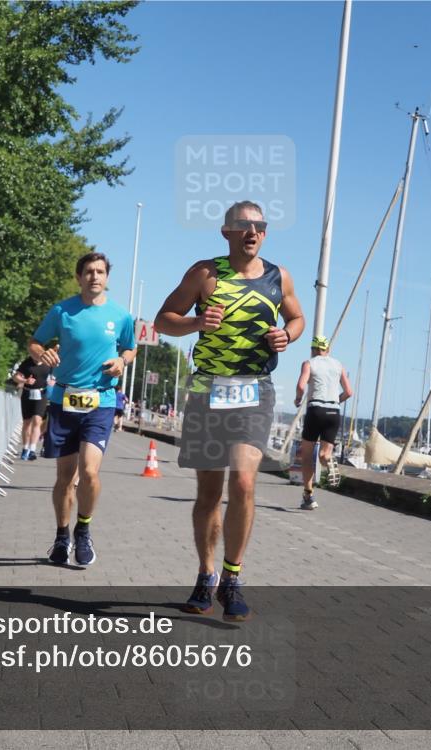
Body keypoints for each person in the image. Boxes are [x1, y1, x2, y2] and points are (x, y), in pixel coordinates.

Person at [155, 200, 304, 621]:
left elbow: (297, 319)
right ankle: (206, 574)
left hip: (255, 390)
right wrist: (196, 324)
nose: (252, 232)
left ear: (265, 233)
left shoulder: (279, 276)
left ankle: (232, 577)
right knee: (208, 495)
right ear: (227, 232)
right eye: (243, 226)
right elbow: (164, 320)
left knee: (242, 482)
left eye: (259, 226)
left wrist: (286, 336)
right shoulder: (205, 273)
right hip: (207, 390)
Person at [29, 252, 135, 566]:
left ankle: (83, 531)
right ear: (79, 277)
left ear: (107, 277)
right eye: (88, 271)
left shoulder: (121, 315)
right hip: (64, 400)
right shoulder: (62, 310)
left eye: (100, 271)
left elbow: (130, 348)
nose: (94, 277)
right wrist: (42, 353)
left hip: (100, 401)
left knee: (89, 471)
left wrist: (121, 361)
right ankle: (62, 536)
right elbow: (34, 342)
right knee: (64, 478)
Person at [294, 335, 353, 509]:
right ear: (327, 350)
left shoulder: (309, 363)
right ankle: (328, 459)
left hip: (315, 410)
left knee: (306, 456)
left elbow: (300, 386)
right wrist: (336, 401)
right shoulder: (338, 365)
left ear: (313, 349)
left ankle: (308, 496)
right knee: (323, 455)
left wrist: (298, 399)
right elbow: (349, 392)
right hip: (333, 411)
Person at [13, 352, 53, 460]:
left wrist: (53, 381)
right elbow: (16, 377)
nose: (36, 358)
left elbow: (56, 375)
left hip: (41, 394)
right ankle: (25, 448)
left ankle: (32, 449)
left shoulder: (48, 363)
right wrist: (25, 380)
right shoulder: (27, 363)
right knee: (27, 422)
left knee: (37, 420)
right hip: (27, 393)